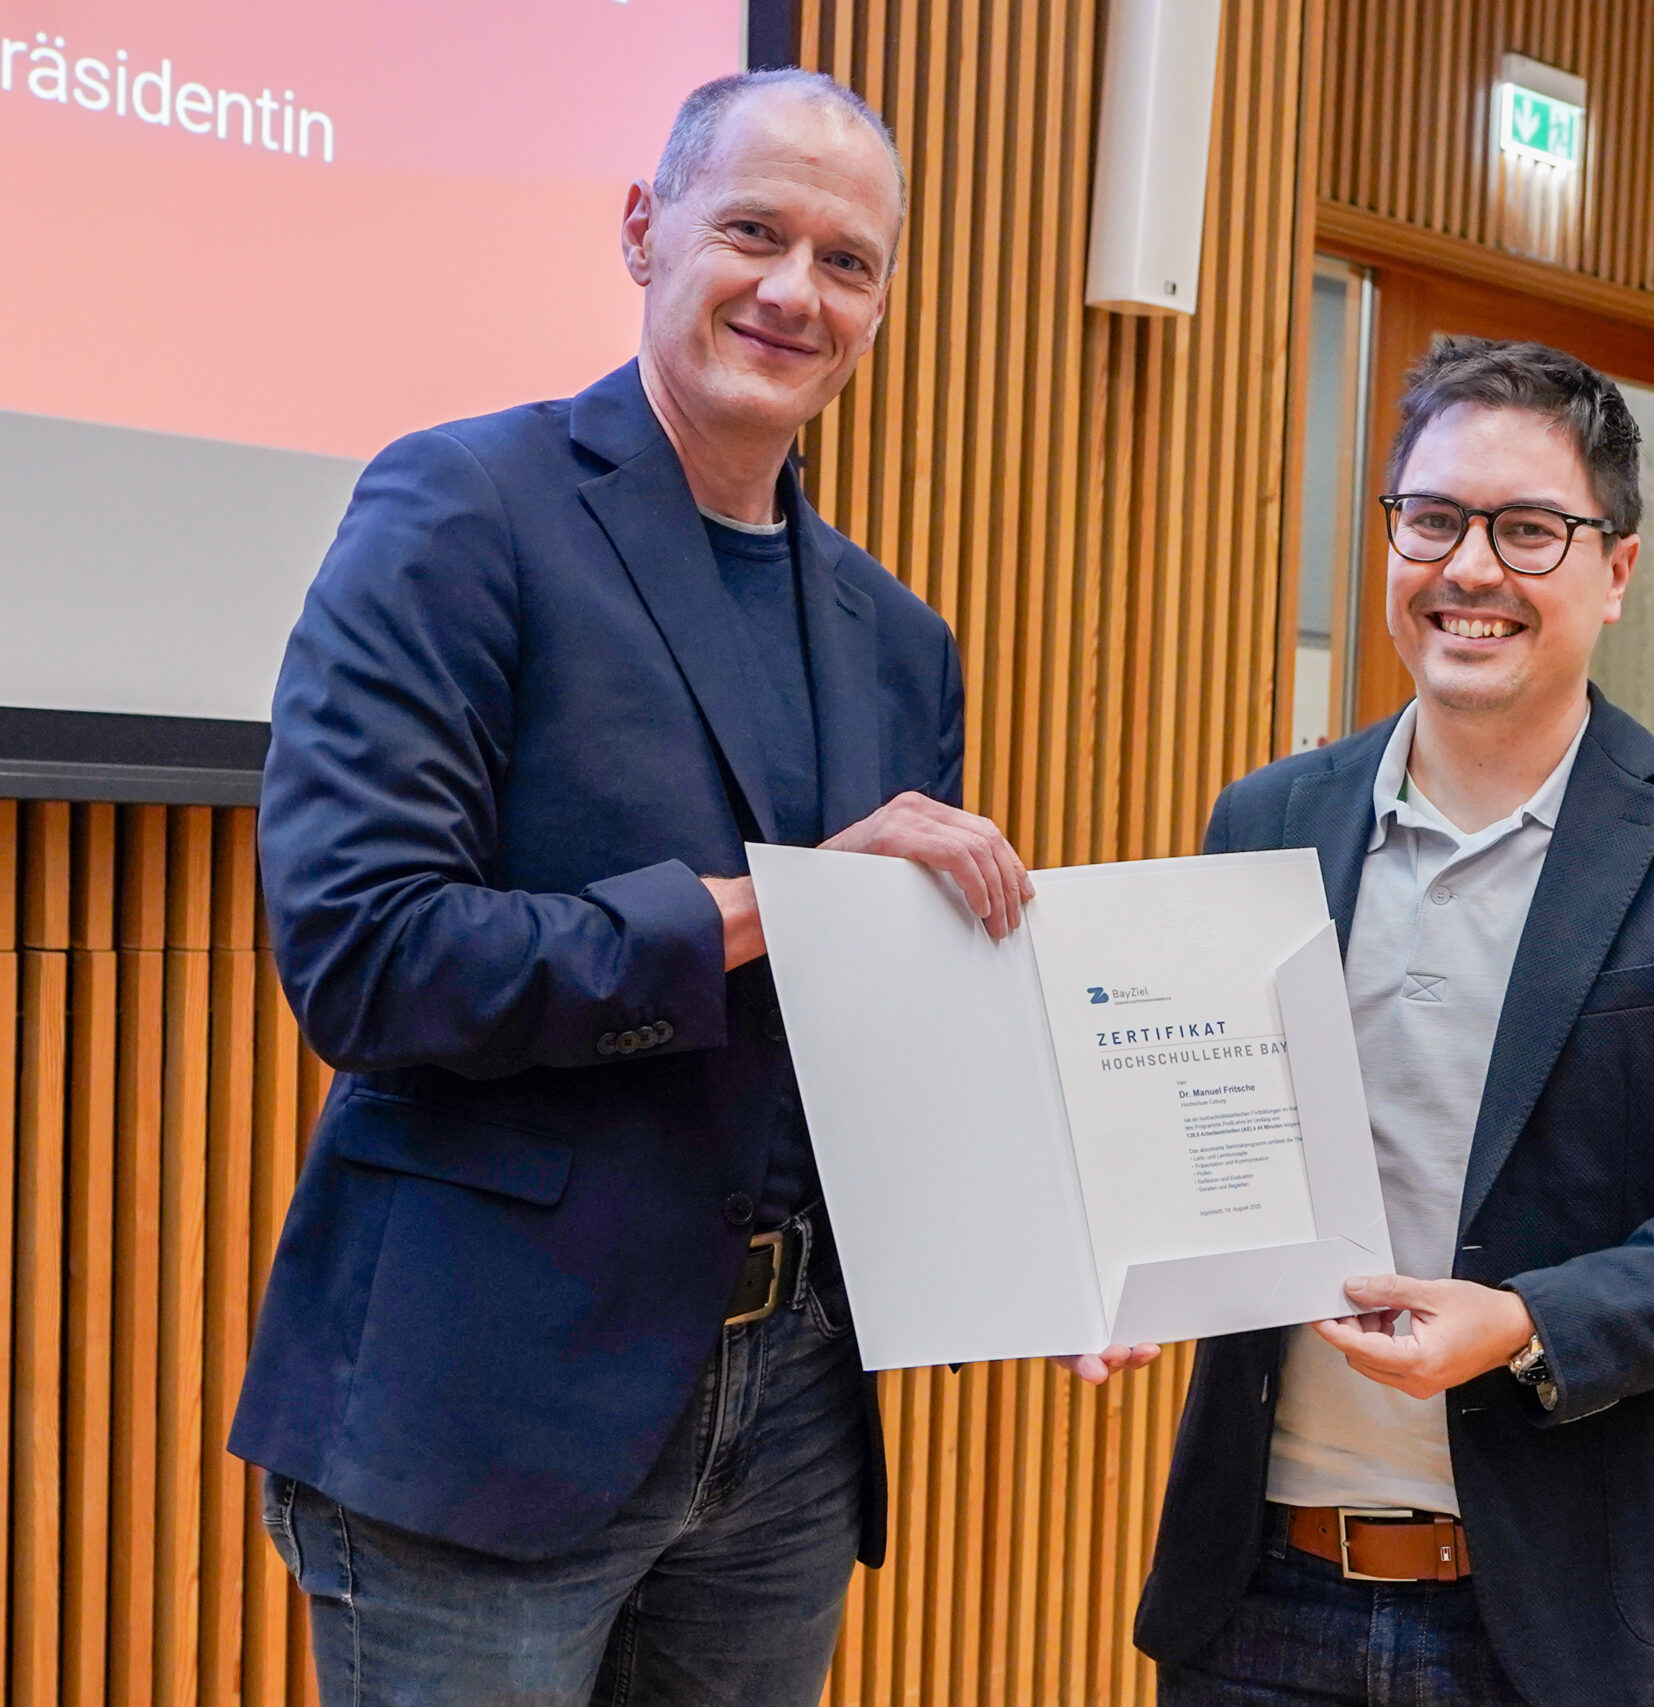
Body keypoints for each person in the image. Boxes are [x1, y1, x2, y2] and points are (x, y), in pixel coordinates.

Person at [233, 69, 1146, 1706]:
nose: (798, 290)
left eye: (849, 260)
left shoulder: (898, 635)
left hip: (785, 1419)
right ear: (645, 231)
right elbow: (366, 959)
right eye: (754, 231)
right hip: (486, 1406)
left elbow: (880, 1027)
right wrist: (773, 904)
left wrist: (1052, 1246)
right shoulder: (459, 509)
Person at [1135, 337, 1654, 1707]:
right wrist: (1131, 1256)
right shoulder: (1268, 822)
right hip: (1260, 1598)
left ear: (1617, 570)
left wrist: (1532, 1319)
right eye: (1433, 518)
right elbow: (1206, 1133)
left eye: (1530, 530)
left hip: (1577, 1617)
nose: (1470, 568)